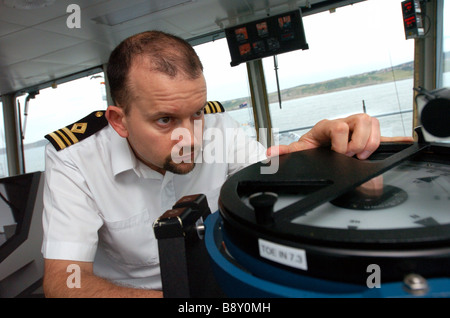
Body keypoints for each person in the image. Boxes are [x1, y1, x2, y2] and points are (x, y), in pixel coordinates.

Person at [41, 30, 387, 298]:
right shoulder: (74, 160)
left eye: (195, 113)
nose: (190, 137)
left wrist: (313, 153)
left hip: (226, 280)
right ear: (119, 120)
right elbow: (64, 280)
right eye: (165, 120)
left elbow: (267, 175)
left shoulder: (218, 127)